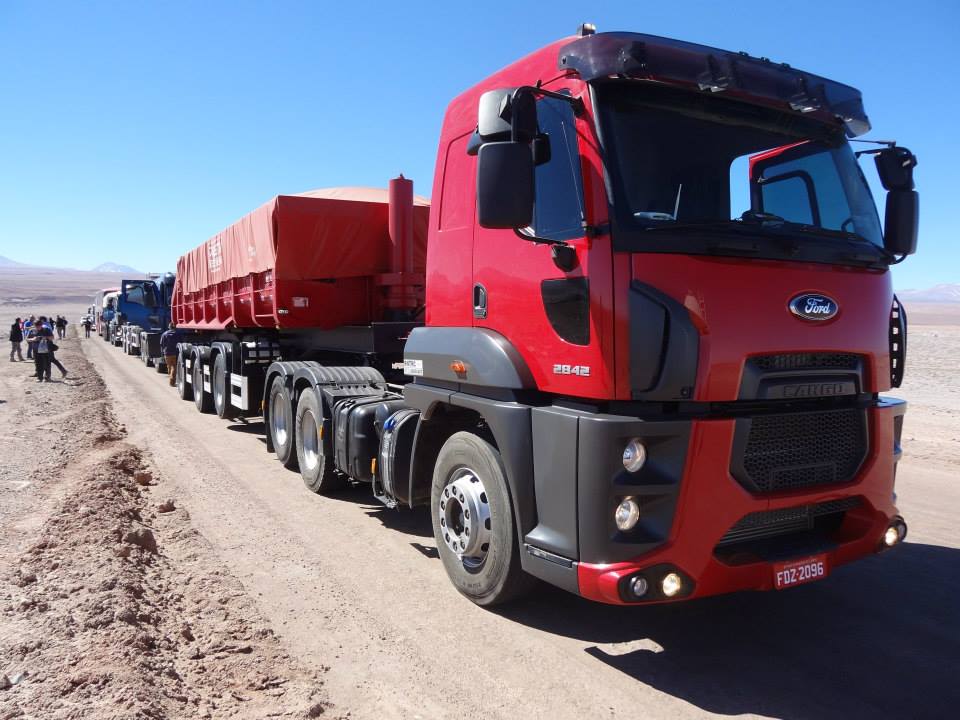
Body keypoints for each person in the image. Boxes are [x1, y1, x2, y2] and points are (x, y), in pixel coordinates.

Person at [159, 322, 180, 387]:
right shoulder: (177, 334)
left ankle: (171, 380)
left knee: (169, 367)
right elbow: (181, 343)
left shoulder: (164, 334)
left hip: (167, 353)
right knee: (174, 367)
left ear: (169, 327)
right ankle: (172, 382)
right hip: (175, 353)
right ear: (175, 327)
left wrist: (162, 353)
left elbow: (161, 344)